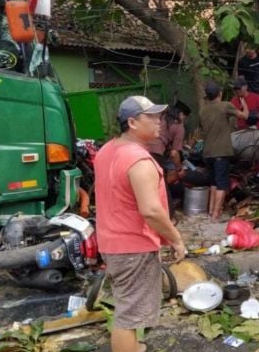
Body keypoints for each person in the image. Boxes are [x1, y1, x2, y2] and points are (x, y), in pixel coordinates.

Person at [94, 95, 186, 352]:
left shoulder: (107, 150)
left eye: (159, 116)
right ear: (132, 122)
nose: (159, 121)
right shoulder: (140, 161)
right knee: (129, 315)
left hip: (111, 241)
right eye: (152, 117)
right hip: (133, 245)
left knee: (127, 306)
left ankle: (135, 347)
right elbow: (151, 211)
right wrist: (175, 239)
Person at [199, 81, 249, 219]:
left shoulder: (202, 110)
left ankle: (211, 211)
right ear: (219, 94)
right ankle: (216, 213)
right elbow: (244, 116)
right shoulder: (225, 105)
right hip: (221, 152)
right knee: (222, 183)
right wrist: (244, 103)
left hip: (207, 152)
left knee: (214, 182)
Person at [148, 103, 191, 219]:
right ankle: (168, 215)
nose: (184, 120)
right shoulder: (179, 126)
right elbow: (174, 153)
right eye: (185, 117)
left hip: (142, 150)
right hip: (156, 153)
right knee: (162, 185)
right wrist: (179, 169)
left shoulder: (161, 117)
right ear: (181, 114)